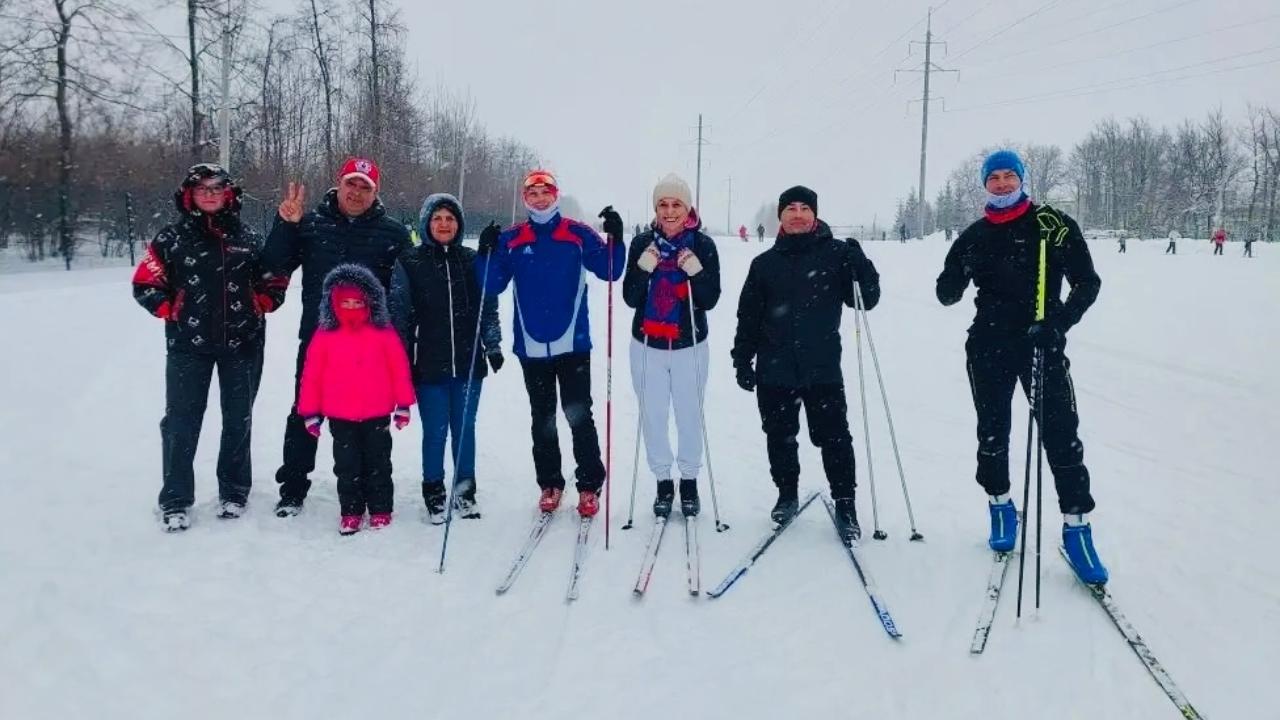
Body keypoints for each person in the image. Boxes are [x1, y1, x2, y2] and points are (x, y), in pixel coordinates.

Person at [935, 149, 1107, 584]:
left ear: (1022, 179)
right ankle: (1000, 506)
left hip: (1040, 343)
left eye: (1011, 176)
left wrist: (1058, 323)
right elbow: (946, 292)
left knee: (1061, 435)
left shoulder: (1052, 225)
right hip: (988, 345)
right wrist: (955, 274)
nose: (1003, 184)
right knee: (992, 433)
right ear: (985, 184)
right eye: (994, 178)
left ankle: (1076, 528)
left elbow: (1088, 283)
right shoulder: (973, 235)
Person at [131, 164, 284, 532]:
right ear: (190, 195)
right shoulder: (171, 238)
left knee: (238, 419)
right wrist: (170, 308)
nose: (211, 195)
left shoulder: (247, 236)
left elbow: (272, 277)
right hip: (188, 345)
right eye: (202, 189)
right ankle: (175, 499)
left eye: (217, 188)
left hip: (243, 342)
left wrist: (263, 300)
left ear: (229, 194)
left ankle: (234, 490)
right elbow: (145, 282)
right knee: (181, 422)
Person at [263, 158, 413, 517]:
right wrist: (285, 225)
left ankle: (370, 493)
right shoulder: (311, 224)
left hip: (370, 349)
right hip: (320, 342)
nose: (357, 192)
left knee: (369, 421)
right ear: (339, 184)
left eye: (366, 187)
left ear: (376, 192)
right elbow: (273, 264)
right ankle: (293, 488)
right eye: (352, 184)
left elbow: (411, 282)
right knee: (305, 410)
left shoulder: (392, 233)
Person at [731, 185, 880, 541]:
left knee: (835, 439)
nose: (797, 215)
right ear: (780, 216)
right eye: (790, 209)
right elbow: (748, 317)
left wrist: (861, 263)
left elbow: (867, 300)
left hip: (822, 368)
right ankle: (786, 494)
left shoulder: (837, 255)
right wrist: (742, 359)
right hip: (774, 369)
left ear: (814, 214)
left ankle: (846, 502)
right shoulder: (764, 264)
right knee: (780, 437)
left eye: (804, 209)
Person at [476, 169, 625, 517]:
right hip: (531, 346)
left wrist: (615, 238)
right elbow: (492, 284)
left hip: (572, 343)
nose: (540, 199)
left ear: (556, 195)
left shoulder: (576, 233)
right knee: (541, 417)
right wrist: (485, 252)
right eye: (533, 194)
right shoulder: (513, 238)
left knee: (578, 415)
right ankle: (550, 483)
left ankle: (589, 485)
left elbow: (609, 269)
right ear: (524, 199)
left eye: (546, 192)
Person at [391, 194, 502, 524]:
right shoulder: (410, 262)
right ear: (427, 222)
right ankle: (434, 490)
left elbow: (488, 307)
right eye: (437, 218)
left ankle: (465, 490)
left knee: (464, 428)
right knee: (436, 431)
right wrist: (401, 361)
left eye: (450, 219)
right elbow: (401, 317)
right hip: (430, 365)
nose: (443, 224)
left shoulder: (470, 260)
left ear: (459, 224)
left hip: (468, 364)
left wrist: (492, 345)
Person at [622, 173, 721, 518]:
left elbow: (709, 299)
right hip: (647, 344)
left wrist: (695, 270)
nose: (669, 211)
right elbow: (630, 297)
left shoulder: (703, 245)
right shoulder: (641, 243)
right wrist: (643, 268)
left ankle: (689, 481)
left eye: (676, 204)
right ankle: (664, 482)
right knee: (653, 414)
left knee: (689, 413)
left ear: (688, 207)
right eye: (662, 204)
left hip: (689, 344)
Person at [297, 264, 415, 534]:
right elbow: (312, 376)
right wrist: (310, 412)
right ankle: (350, 510)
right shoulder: (324, 336)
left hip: (376, 413)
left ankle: (380, 508)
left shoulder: (384, 334)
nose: (351, 307)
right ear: (334, 304)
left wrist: (404, 405)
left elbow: (399, 370)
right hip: (340, 416)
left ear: (369, 302)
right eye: (345, 302)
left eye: (357, 302)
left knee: (378, 463)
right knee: (347, 466)